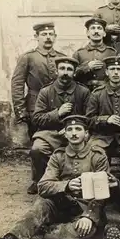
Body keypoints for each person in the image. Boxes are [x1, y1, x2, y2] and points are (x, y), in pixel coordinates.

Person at [0, 115, 120, 239]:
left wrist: (89, 217)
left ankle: (39, 229)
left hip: (84, 206)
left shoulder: (98, 156)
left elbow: (102, 194)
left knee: (85, 232)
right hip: (60, 202)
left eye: (78, 129)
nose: (74, 133)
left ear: (86, 134)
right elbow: (43, 186)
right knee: (41, 204)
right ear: (65, 134)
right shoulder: (58, 156)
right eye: (69, 129)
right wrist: (66, 185)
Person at [29, 57, 90, 194]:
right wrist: (57, 113)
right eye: (62, 69)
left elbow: (89, 117)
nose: (65, 72)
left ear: (74, 73)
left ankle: (77, 181)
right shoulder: (46, 92)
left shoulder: (83, 92)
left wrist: (72, 129)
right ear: (57, 71)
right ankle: (41, 181)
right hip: (51, 134)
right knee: (37, 149)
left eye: (69, 69)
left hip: (76, 132)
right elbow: (37, 118)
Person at [11, 22, 66, 139]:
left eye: (51, 34)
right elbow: (17, 84)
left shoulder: (62, 57)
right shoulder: (28, 57)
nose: (48, 37)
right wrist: (21, 111)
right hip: (34, 106)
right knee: (37, 142)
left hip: (57, 105)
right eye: (44, 34)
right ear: (36, 37)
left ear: (55, 37)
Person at [73, 17, 117, 90]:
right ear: (87, 33)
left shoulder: (112, 52)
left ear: (104, 33)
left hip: (106, 92)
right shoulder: (79, 53)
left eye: (99, 28)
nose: (96, 31)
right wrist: (87, 67)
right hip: (84, 92)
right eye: (93, 28)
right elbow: (71, 74)